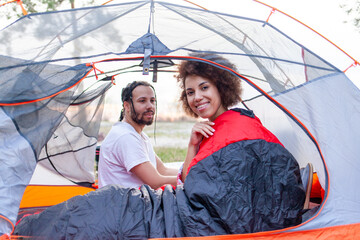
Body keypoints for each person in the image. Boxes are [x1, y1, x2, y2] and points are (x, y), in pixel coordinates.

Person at [14, 54, 305, 239]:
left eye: (204, 88)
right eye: (190, 91)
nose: (196, 97)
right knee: (84, 212)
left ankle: (28, 229)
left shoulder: (228, 126)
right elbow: (175, 180)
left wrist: (192, 148)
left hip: (146, 204)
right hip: (134, 199)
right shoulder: (126, 136)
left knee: (89, 214)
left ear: (221, 87)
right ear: (126, 105)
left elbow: (185, 178)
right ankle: (26, 229)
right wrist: (190, 153)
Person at [98, 80, 178, 189]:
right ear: (127, 106)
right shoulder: (125, 137)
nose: (150, 106)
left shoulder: (138, 135)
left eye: (152, 100)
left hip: (136, 201)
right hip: (125, 205)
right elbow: (155, 181)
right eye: (142, 101)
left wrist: (191, 172)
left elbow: (162, 170)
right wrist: (194, 179)